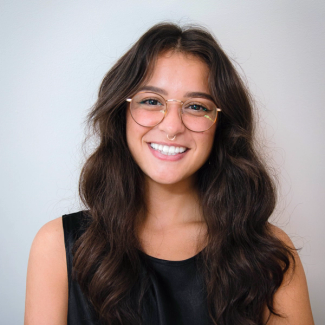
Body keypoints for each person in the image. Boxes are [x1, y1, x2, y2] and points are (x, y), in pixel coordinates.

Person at [24, 23, 314, 325]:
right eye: (151, 101)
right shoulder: (57, 246)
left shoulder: (270, 254)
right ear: (121, 112)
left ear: (221, 125)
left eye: (196, 106)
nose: (172, 126)